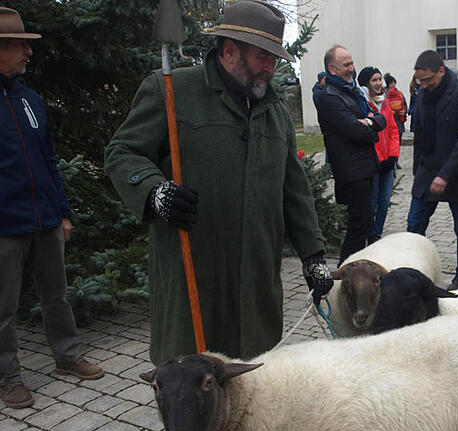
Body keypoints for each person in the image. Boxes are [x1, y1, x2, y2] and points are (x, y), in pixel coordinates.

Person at [105, 0, 333, 366]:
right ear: (229, 51)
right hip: (193, 272)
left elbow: (294, 188)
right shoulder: (173, 90)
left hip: (257, 278)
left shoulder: (273, 109)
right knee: (194, 381)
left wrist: (314, 257)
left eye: (274, 58)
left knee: (254, 379)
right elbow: (122, 152)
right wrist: (154, 191)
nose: (270, 68)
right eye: (262, 57)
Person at [1, 7, 104, 409]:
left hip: (44, 219)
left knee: (56, 296)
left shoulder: (29, 99)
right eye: (21, 46)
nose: (28, 54)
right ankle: (9, 378)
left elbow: (48, 160)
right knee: (3, 309)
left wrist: (62, 211)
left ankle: (67, 357)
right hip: (5, 227)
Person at [408, 50, 458, 291]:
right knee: (414, 223)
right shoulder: (422, 93)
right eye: (420, 81)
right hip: (427, 170)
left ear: (441, 71)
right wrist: (417, 167)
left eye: (428, 80)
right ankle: (412, 272)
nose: (424, 85)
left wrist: (444, 175)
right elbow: (419, 134)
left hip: (456, 173)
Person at [315, 45, 386, 264]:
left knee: (363, 222)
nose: (351, 68)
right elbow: (355, 131)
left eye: (352, 63)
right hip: (351, 170)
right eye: (346, 64)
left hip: (364, 167)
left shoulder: (352, 91)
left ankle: (353, 268)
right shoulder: (329, 97)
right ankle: (346, 271)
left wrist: (367, 122)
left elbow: (380, 119)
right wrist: (369, 126)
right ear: (332, 68)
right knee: (358, 224)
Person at [358, 66, 400, 245]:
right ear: (366, 83)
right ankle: (371, 234)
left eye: (379, 79)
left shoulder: (385, 103)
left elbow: (393, 130)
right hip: (372, 162)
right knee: (372, 201)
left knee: (384, 201)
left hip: (387, 162)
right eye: (374, 80)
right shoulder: (362, 103)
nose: (378, 83)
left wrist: (392, 156)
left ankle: (376, 233)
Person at [383, 72, 407, 144]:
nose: (393, 85)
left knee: (398, 140)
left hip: (399, 120)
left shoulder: (399, 93)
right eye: (391, 83)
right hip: (389, 121)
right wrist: (389, 112)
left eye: (394, 83)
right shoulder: (384, 94)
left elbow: (404, 104)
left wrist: (404, 111)